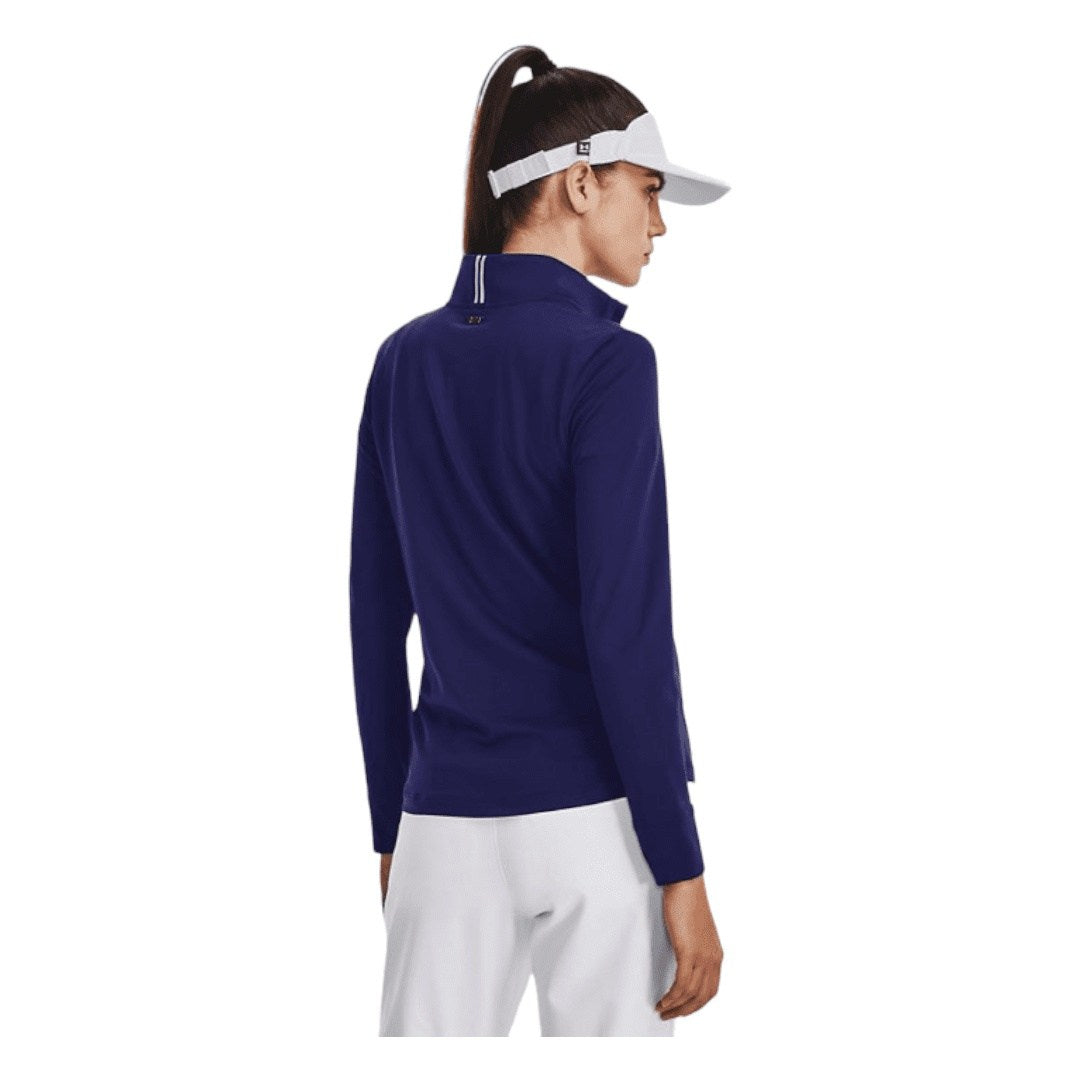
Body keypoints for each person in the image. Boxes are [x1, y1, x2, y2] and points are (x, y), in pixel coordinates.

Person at [349, 44, 729, 1037]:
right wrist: (681, 863)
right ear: (579, 183)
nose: (658, 223)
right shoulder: (609, 364)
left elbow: (372, 622)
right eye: (649, 191)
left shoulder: (402, 362)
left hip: (439, 830)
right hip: (593, 825)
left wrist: (392, 826)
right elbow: (627, 633)